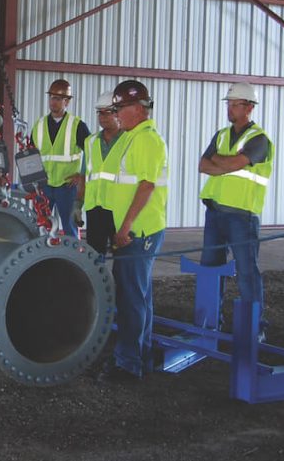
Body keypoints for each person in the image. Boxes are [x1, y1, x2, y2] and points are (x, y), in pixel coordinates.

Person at [98, 80, 167, 382]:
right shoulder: (131, 136)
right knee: (139, 296)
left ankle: (128, 364)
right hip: (131, 231)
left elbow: (146, 186)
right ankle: (143, 354)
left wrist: (124, 228)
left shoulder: (147, 140)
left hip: (139, 232)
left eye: (120, 108)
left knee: (130, 298)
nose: (116, 114)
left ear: (138, 109)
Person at [197, 82, 274, 329]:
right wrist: (226, 162)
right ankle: (210, 323)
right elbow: (202, 165)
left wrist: (219, 160)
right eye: (228, 104)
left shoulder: (259, 139)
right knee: (210, 269)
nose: (229, 109)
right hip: (216, 212)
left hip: (242, 215)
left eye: (235, 104)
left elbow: (229, 164)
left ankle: (255, 327)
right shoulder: (221, 135)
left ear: (249, 107)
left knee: (246, 272)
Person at [31, 79, 90, 238]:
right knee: (41, 226)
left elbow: (92, 152)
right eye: (51, 98)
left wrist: (81, 175)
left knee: (69, 226)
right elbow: (30, 156)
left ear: (67, 101)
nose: (53, 102)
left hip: (67, 186)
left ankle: (73, 259)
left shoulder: (77, 126)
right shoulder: (39, 125)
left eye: (58, 98)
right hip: (44, 185)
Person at [76, 91, 123, 255]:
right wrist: (77, 205)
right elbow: (84, 176)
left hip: (120, 210)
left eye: (106, 112)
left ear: (118, 113)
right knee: (95, 257)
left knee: (122, 257)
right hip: (95, 209)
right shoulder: (90, 142)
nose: (102, 117)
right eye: (99, 113)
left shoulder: (129, 141)